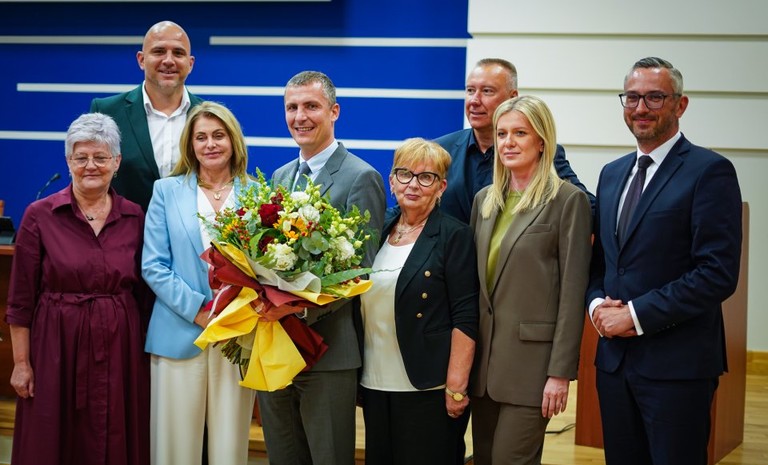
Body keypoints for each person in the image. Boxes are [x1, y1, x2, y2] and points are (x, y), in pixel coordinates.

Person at [588, 57, 742, 465]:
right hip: (614, 365)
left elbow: (717, 273)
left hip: (678, 368)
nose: (641, 108)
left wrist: (635, 315)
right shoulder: (611, 174)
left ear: (680, 104)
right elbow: (602, 264)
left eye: (655, 97)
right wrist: (597, 306)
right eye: (632, 97)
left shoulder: (710, 171)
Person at [257, 70, 387, 465]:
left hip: (328, 353)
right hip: (276, 348)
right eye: (292, 107)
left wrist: (294, 309)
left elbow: (360, 272)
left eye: (311, 106)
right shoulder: (280, 176)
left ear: (334, 111)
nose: (300, 117)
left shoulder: (361, 177)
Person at [6, 113, 150, 465]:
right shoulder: (39, 215)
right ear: (68, 160)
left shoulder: (135, 216)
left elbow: (145, 295)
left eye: (100, 157)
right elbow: (20, 301)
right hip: (55, 346)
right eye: (81, 157)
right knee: (53, 436)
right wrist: (21, 364)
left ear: (117, 162)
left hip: (120, 347)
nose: (90, 166)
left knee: (113, 431)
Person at [470, 95, 592, 465]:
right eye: (502, 133)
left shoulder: (568, 200)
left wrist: (560, 373)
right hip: (483, 368)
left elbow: (572, 294)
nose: (508, 142)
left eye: (520, 133)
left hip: (532, 368)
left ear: (542, 141)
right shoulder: (484, 201)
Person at [141, 101, 256, 465]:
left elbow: (265, 269)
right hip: (179, 332)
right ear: (190, 144)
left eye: (219, 135)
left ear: (233, 140)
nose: (210, 144)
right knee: (173, 449)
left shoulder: (258, 194)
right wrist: (201, 311)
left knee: (230, 448)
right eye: (201, 137)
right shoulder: (166, 191)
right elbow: (154, 266)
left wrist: (232, 314)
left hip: (237, 335)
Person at [360, 138, 479, 465]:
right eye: (405, 174)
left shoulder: (454, 235)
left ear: (441, 187)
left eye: (426, 177)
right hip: (374, 381)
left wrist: (456, 386)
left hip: (428, 386)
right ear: (391, 180)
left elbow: (465, 316)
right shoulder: (378, 229)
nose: (413, 184)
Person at [436, 58, 595, 224]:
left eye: (487, 91)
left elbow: (587, 207)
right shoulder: (440, 149)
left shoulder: (537, 151)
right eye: (470, 90)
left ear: (512, 97)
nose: (474, 100)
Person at [90, 20, 202, 211]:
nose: (169, 60)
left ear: (190, 64)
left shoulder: (209, 116)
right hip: (124, 228)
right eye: (159, 51)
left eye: (178, 53)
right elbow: (90, 178)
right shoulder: (106, 112)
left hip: (193, 229)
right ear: (141, 60)